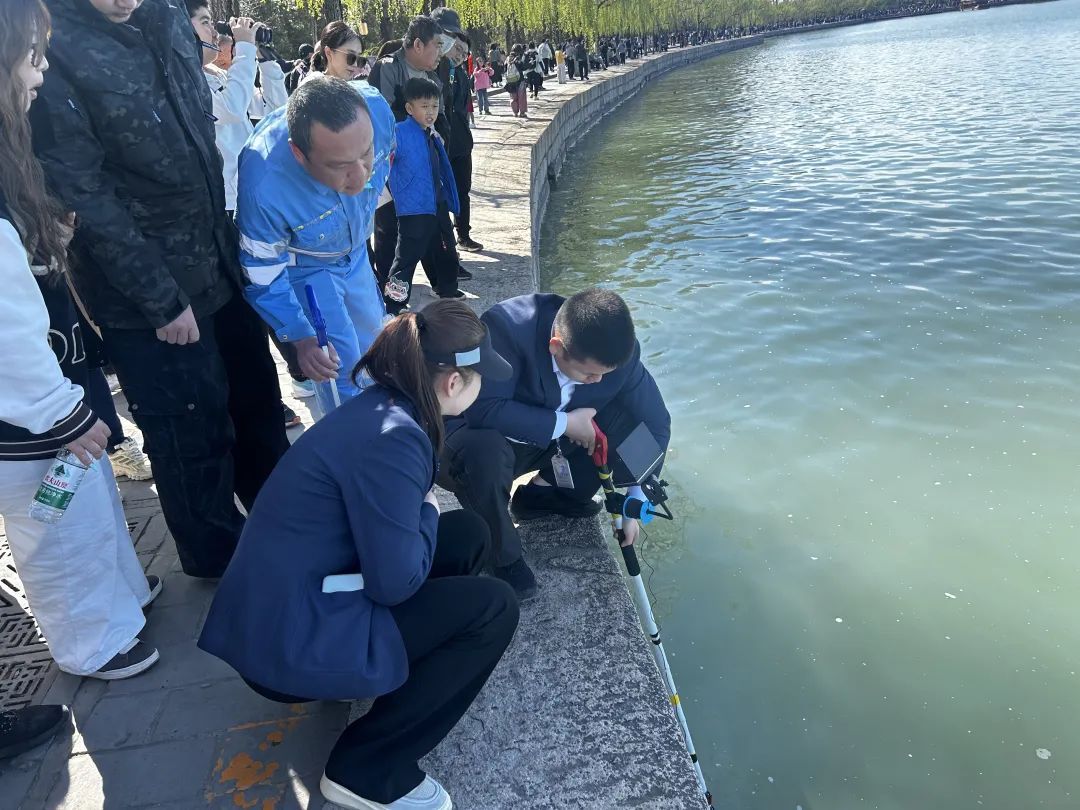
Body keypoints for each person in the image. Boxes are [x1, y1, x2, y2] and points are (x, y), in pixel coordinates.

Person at [199, 300, 520, 810]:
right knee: (494, 608)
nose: (484, 388)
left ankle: (386, 671)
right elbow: (395, 583)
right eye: (481, 378)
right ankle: (366, 769)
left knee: (469, 533)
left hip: (286, 612)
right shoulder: (397, 439)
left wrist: (423, 515)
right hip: (289, 646)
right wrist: (426, 509)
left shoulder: (382, 407)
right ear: (454, 382)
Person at [31, 0, 290, 579]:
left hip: (217, 260)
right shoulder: (54, 44)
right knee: (189, 433)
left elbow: (203, 131)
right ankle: (222, 563)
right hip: (148, 293)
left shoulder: (168, 18)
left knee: (257, 405)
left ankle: (287, 525)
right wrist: (158, 297)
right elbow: (83, 192)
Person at [1, 0, 160, 679]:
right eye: (32, 55)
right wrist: (58, 412)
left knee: (89, 507)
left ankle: (119, 602)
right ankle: (91, 642)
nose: (41, 71)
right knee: (56, 528)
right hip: (30, 417)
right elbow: (4, 328)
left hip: (52, 390)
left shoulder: (12, 153)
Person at [439, 289, 671, 600]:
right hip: (478, 439)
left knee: (624, 418)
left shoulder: (621, 357)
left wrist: (635, 498)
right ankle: (502, 555)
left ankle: (545, 496)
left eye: (606, 374)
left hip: (553, 442)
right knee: (483, 453)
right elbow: (484, 409)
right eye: (589, 374)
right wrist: (566, 424)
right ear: (556, 347)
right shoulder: (506, 328)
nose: (597, 381)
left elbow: (655, 422)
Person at [237, 77, 395, 417]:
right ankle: (350, 438)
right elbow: (263, 272)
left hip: (356, 252)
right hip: (309, 268)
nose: (361, 177)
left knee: (376, 346)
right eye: (339, 166)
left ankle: (385, 422)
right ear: (299, 153)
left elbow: (388, 158)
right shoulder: (263, 183)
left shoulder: (377, 109)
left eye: (367, 154)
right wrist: (301, 337)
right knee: (338, 365)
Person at [367, 16, 446, 288]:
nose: (441, 51)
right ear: (418, 45)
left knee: (428, 223)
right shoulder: (388, 68)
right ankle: (389, 290)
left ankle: (439, 282)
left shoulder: (433, 75)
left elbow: (440, 120)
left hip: (425, 167)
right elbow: (381, 117)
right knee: (389, 226)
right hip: (394, 165)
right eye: (437, 44)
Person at [383, 78, 461, 313]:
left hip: (437, 203)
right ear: (409, 108)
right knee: (406, 258)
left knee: (446, 248)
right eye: (424, 106)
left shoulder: (431, 133)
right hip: (413, 208)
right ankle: (394, 303)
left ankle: (446, 289)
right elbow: (383, 162)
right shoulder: (399, 133)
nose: (430, 112)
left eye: (434, 106)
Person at [430, 8, 483, 255]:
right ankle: (446, 243)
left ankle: (463, 234)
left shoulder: (460, 74)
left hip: (461, 142)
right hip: (440, 143)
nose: (460, 55)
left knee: (463, 189)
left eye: (464, 52)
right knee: (441, 195)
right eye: (456, 48)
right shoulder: (431, 71)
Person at [504, 44, 528, 119]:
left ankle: (515, 112)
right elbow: (523, 67)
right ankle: (522, 112)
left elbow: (504, 69)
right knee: (521, 96)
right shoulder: (518, 58)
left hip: (510, 80)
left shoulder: (508, 58)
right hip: (519, 79)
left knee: (513, 97)